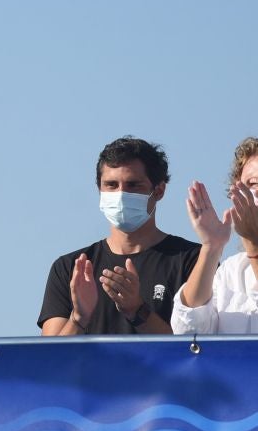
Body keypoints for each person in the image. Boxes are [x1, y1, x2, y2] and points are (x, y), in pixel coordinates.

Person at [39, 136, 200, 336]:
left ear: (158, 191)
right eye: (111, 185)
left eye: (133, 185)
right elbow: (50, 359)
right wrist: (78, 317)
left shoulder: (193, 260)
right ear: (99, 189)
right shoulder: (70, 267)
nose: (121, 194)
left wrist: (137, 310)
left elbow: (195, 353)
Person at [171, 137, 258, 334]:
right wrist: (212, 247)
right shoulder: (231, 270)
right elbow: (188, 330)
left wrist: (253, 244)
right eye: (252, 183)